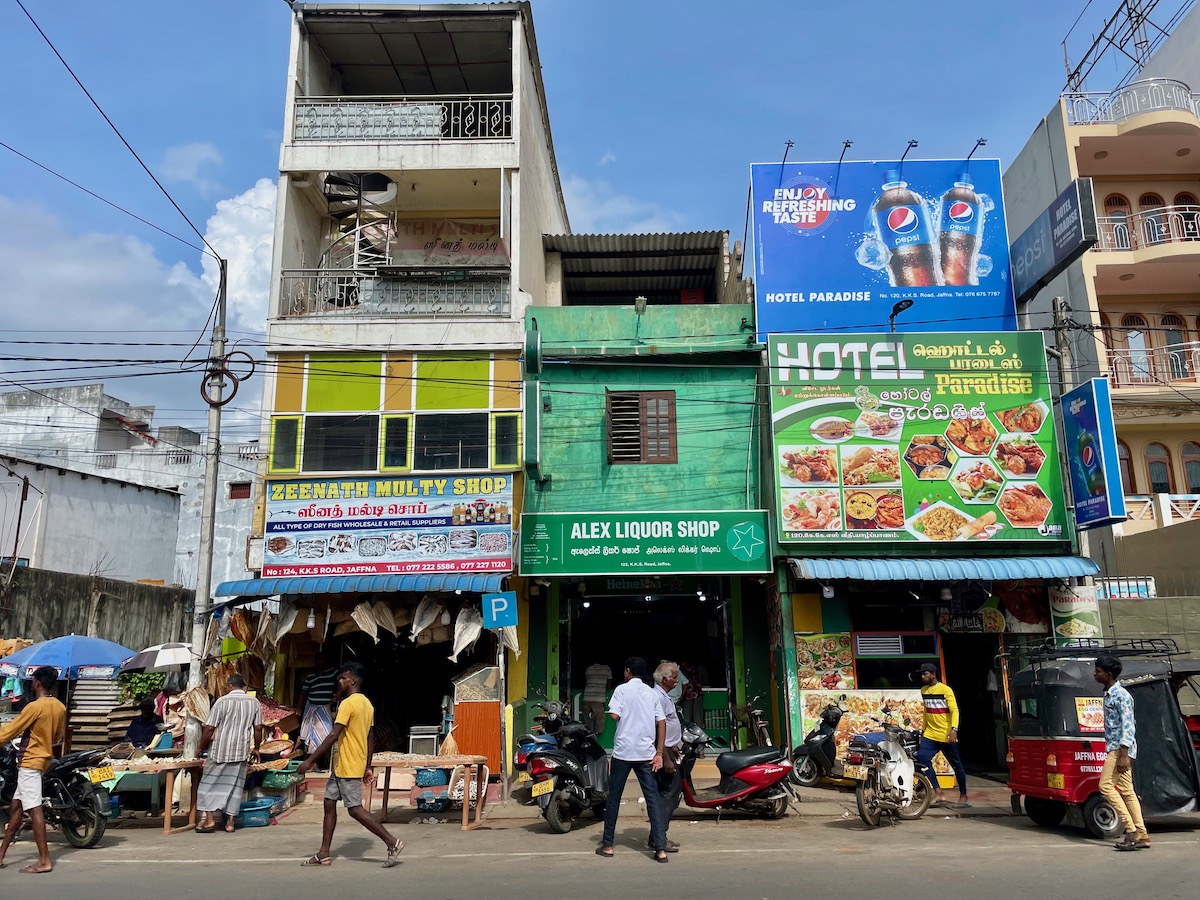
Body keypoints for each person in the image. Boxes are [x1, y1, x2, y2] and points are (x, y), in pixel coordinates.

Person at [296, 662, 403, 868]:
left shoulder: (348, 704)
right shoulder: (367, 704)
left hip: (348, 764)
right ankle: (323, 853)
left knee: (355, 809)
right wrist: (368, 765)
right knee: (329, 803)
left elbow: (333, 735)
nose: (340, 681)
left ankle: (392, 842)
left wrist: (309, 761)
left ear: (353, 680)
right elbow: (370, 737)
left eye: (344, 678)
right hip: (346, 764)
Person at [596, 657, 667, 863]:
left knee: (614, 798)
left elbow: (614, 716)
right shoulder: (652, 694)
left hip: (623, 753)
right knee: (652, 799)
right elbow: (661, 723)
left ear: (628, 671)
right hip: (646, 753)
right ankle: (660, 849)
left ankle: (608, 845)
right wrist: (659, 753)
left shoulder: (621, 690)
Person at [0, 665, 67, 874]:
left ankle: (44, 861)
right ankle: (1, 855)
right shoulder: (59, 707)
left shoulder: (34, 707)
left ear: (37, 683)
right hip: (42, 761)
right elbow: (57, 736)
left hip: (30, 761)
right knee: (16, 807)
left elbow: (10, 731)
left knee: (34, 808)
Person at [195, 674, 264, 834]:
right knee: (235, 787)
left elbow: (210, 728)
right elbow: (258, 728)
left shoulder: (221, 701)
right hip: (240, 751)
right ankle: (230, 824)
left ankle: (210, 821)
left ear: (230, 686)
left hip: (219, 750)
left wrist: (199, 747)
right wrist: (257, 748)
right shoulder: (253, 702)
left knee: (206, 785)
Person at [1094, 653, 1150, 851]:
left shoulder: (1121, 696)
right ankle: (1142, 834)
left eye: (1098, 671)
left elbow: (1128, 726)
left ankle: (1131, 830)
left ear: (1108, 674)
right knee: (1127, 792)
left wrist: (1124, 755)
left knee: (1106, 786)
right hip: (1117, 747)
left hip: (1120, 749)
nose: (1095, 674)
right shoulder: (1109, 694)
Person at [915, 662, 969, 808]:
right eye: (922, 674)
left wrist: (954, 730)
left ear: (933, 674)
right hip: (930, 734)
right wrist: (923, 731)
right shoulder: (924, 691)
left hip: (946, 735)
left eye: (925, 674)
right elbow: (926, 712)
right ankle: (938, 792)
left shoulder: (945, 690)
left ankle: (963, 796)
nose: (922, 676)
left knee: (956, 764)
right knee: (922, 759)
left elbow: (955, 710)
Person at [651, 661, 683, 854]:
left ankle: (657, 836)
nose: (677, 680)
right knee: (668, 794)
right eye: (674, 677)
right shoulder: (658, 698)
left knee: (667, 794)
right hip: (663, 752)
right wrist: (666, 756)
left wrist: (672, 747)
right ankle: (659, 838)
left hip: (668, 749)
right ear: (664, 679)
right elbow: (658, 727)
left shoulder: (663, 696)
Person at [299, 653, 338, 760]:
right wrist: (299, 709)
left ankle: (322, 762)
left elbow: (342, 681)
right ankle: (311, 762)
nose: (321, 663)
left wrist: (337, 694)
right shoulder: (310, 677)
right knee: (310, 737)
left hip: (325, 710)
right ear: (315, 662)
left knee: (326, 735)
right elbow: (303, 693)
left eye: (323, 660)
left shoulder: (332, 673)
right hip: (311, 709)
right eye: (318, 660)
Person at [582, 660, 612, 735]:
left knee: (587, 720)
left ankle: (589, 732)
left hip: (587, 698)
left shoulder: (588, 669)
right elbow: (609, 685)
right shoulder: (606, 669)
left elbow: (586, 682)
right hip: (598, 699)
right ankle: (596, 733)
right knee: (600, 719)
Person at [678, 661, 706, 729]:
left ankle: (688, 733)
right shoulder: (699, 667)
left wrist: (681, 695)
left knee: (687, 717)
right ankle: (698, 733)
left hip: (688, 693)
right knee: (697, 716)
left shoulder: (680, 667)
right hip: (693, 691)